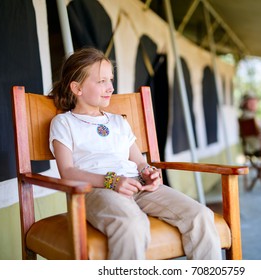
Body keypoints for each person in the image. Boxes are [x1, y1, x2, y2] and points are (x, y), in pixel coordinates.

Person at [48, 48, 222, 260]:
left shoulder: (118, 121)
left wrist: (149, 171)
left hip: (138, 185)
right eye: (101, 81)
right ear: (77, 88)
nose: (110, 87)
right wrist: (111, 180)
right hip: (97, 189)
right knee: (133, 224)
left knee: (201, 215)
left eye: (110, 79)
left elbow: (138, 160)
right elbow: (67, 171)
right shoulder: (64, 123)